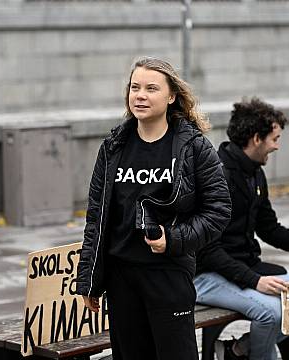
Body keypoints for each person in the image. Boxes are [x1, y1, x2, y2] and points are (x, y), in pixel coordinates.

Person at [76, 56, 231, 360]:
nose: (140, 95)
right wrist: (90, 280)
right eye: (135, 88)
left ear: (172, 96)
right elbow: (97, 218)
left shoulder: (193, 147)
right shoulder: (113, 147)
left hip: (168, 274)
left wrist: (173, 239)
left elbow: (219, 210)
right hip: (122, 277)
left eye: (151, 88)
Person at [196, 98, 289, 360]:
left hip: (244, 266)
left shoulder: (254, 171)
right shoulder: (217, 175)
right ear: (257, 138)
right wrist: (255, 281)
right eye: (275, 139)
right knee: (271, 313)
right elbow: (208, 250)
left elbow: (269, 228)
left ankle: (236, 351)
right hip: (207, 275)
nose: (277, 146)